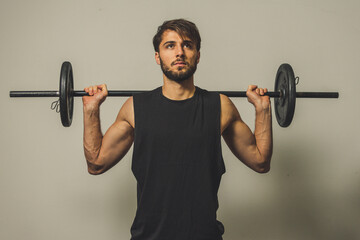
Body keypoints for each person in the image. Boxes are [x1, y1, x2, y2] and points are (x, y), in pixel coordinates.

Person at [82, 19, 272, 240]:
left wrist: (263, 109)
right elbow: (96, 164)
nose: (179, 52)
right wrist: (91, 109)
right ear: (157, 56)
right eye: (170, 46)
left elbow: (260, 162)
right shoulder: (135, 108)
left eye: (187, 45)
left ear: (198, 55)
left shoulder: (220, 106)